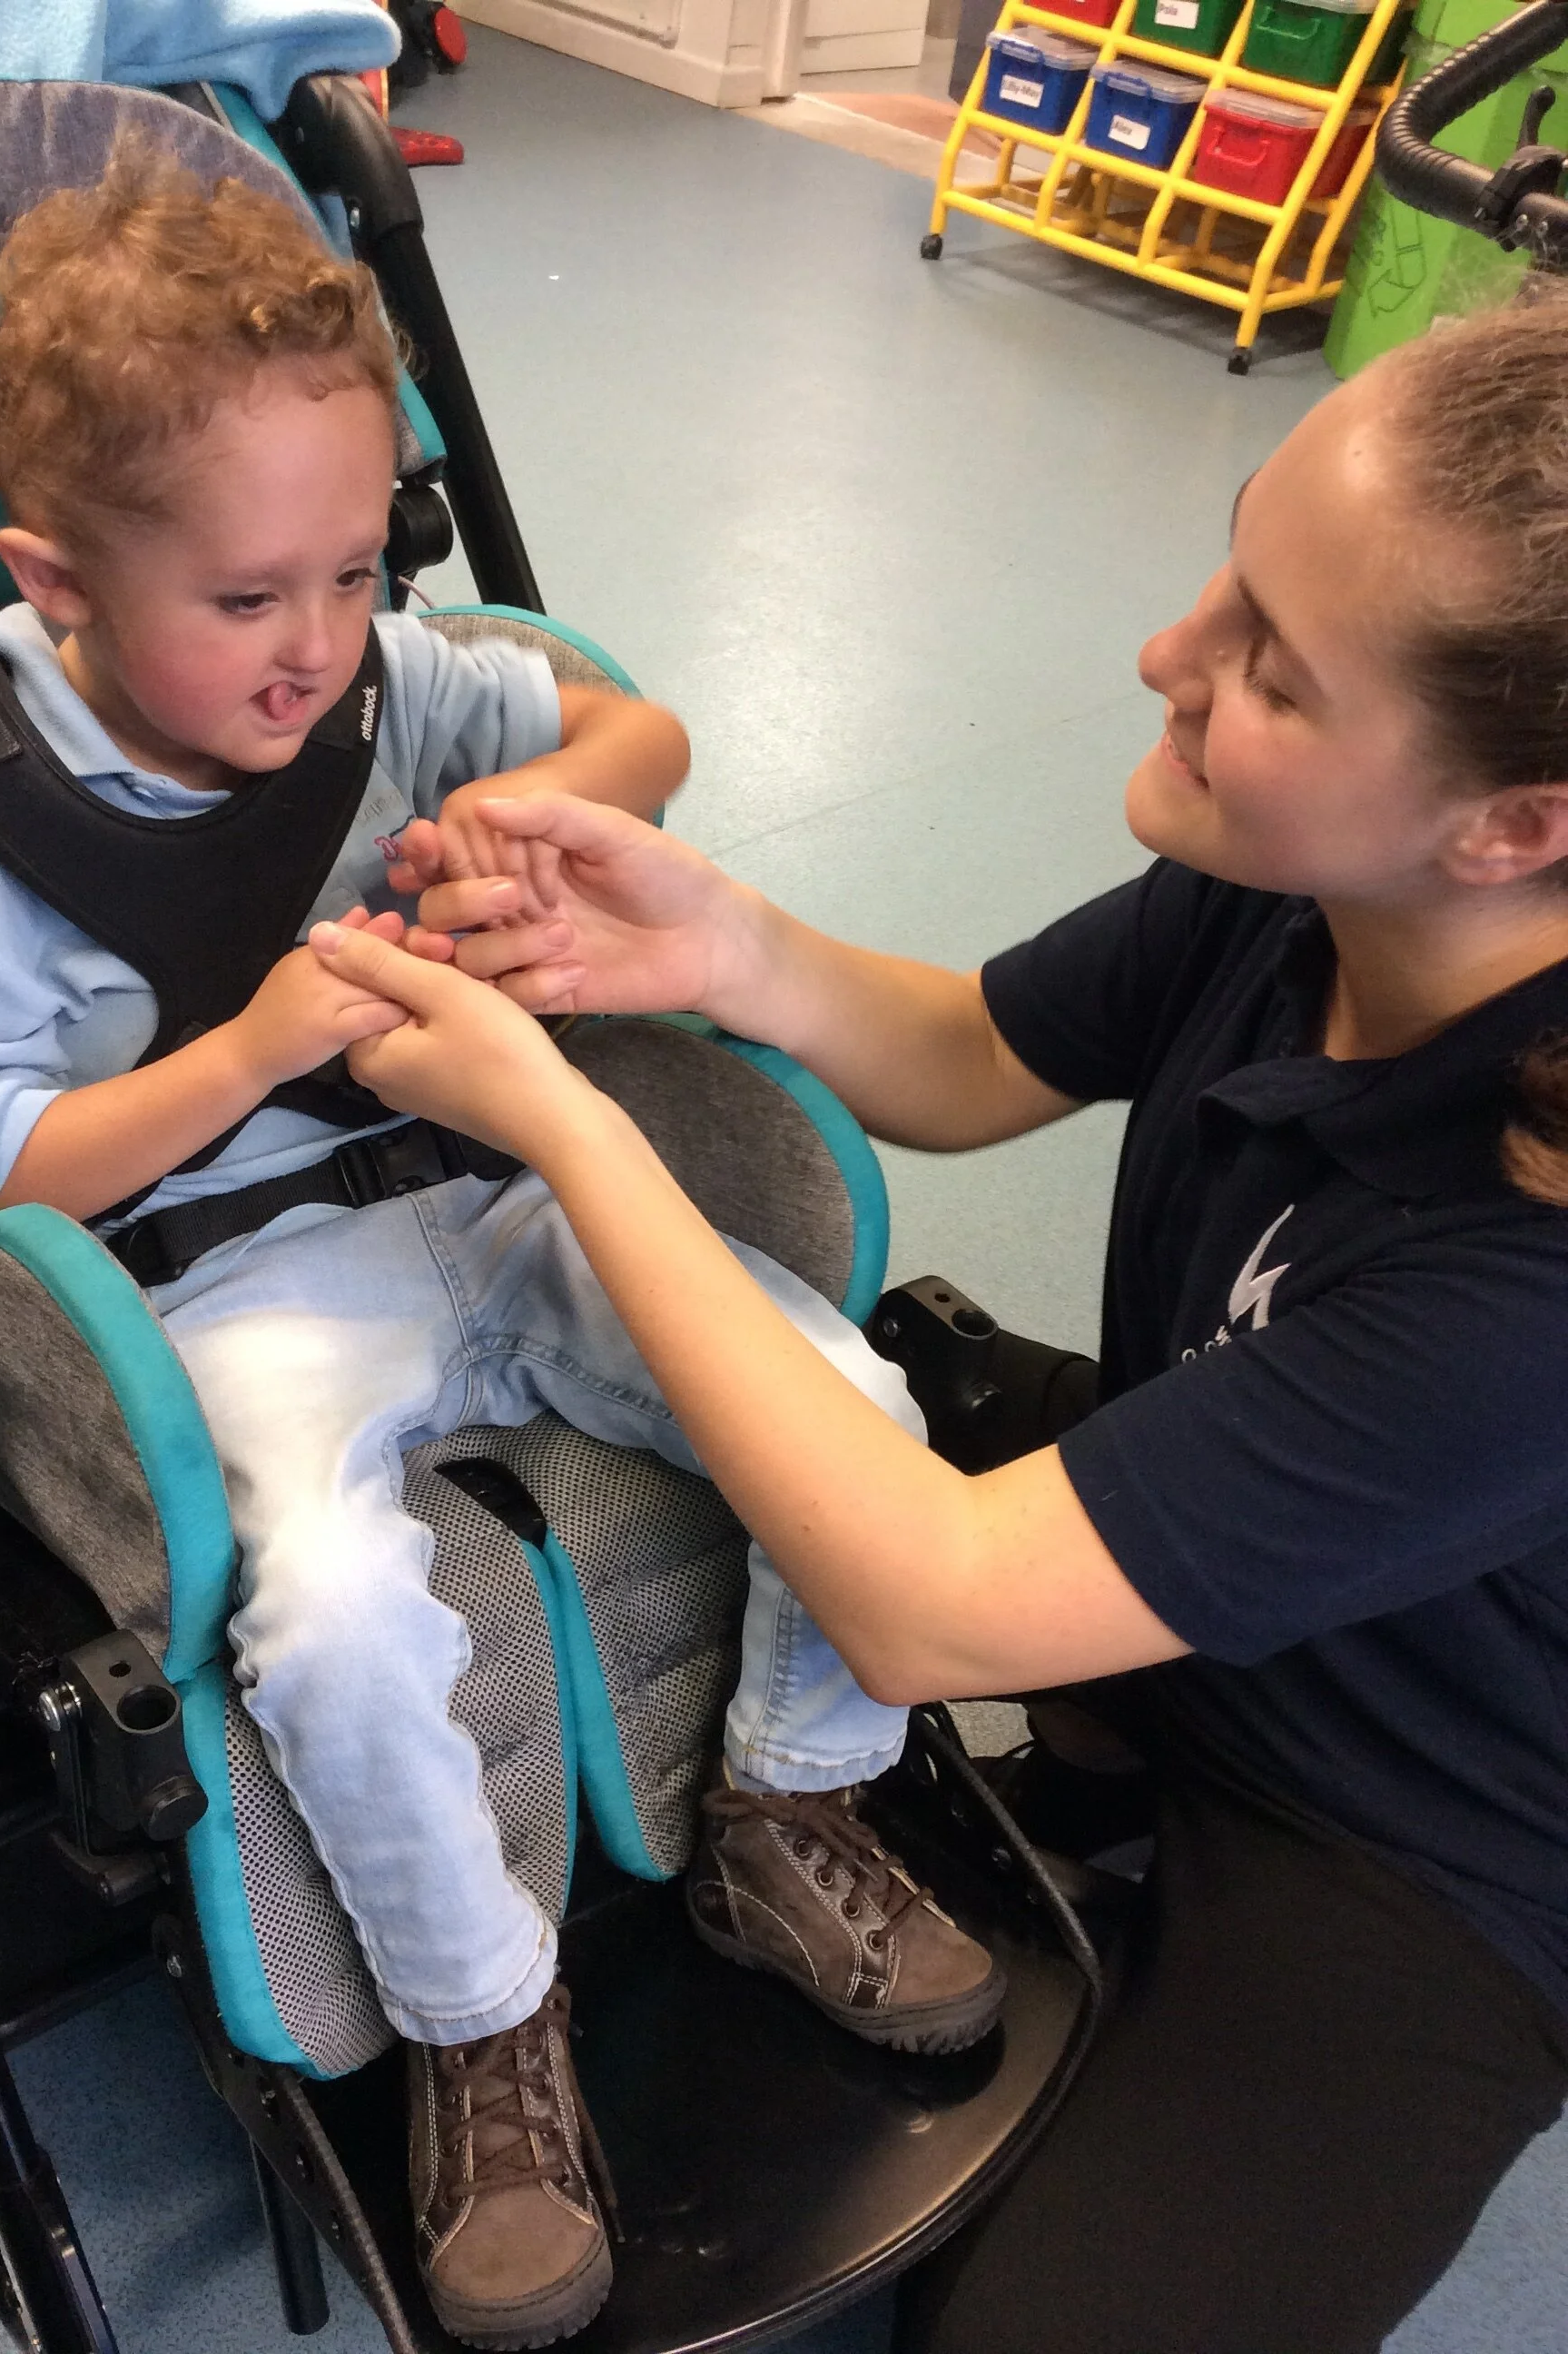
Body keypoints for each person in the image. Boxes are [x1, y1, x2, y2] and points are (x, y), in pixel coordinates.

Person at [306, 294, 1568, 2354]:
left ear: (1507, 827)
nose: (1168, 656)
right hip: (1195, 1571)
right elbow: (974, 1051)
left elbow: (924, 1612)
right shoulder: (1303, 875)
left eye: (1265, 666)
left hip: (1418, 1830)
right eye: (1226, 566)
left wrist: (557, 1123)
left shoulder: (1528, 1281)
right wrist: (720, 941)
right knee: (838, 1380)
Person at [0, 144, 1001, 2350]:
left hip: (497, 1190)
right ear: (54, 579)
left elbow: (628, 720)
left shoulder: (385, 676)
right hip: (221, 1287)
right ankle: (483, 2024)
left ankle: (791, 1803)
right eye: (249, 598)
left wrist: (553, 806)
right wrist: (260, 1036)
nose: (314, 650)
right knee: (346, 1616)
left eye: (354, 571)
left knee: (849, 1408)